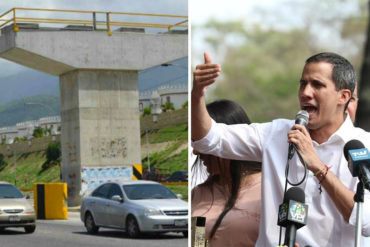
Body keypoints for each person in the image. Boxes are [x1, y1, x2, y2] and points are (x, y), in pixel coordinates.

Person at [191, 52, 370, 246]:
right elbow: (207, 139)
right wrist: (197, 94)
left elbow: (367, 222)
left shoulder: (364, 145)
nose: (305, 92)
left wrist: (318, 167)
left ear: (343, 96)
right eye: (303, 84)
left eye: (317, 85)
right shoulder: (276, 134)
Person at [192, 99, 262, 247]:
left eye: (204, 142)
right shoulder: (198, 194)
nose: (196, 151)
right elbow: (197, 244)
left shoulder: (271, 189)